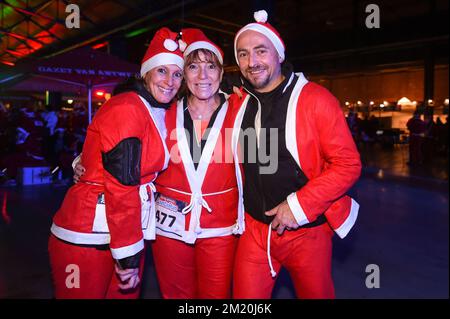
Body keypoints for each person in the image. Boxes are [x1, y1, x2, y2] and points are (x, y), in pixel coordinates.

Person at [229, 10, 361, 299]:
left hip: (308, 233)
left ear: (278, 54)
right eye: (243, 54)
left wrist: (299, 205)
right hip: (254, 230)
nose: (252, 62)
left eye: (260, 51)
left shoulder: (316, 99)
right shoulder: (239, 105)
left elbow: (348, 164)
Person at [48, 27, 184, 299]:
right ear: (145, 72)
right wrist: (128, 255)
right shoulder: (127, 107)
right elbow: (122, 186)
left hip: (128, 229)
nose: (170, 80)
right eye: (162, 71)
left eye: (177, 73)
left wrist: (83, 159)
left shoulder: (162, 110)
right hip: (87, 235)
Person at [151, 28, 244, 298]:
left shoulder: (241, 108)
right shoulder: (163, 111)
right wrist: (81, 161)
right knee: (175, 295)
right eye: (193, 66)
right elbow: (124, 135)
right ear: (183, 74)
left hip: (221, 225)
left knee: (215, 296)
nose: (202, 76)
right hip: (169, 224)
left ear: (221, 72)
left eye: (210, 67)